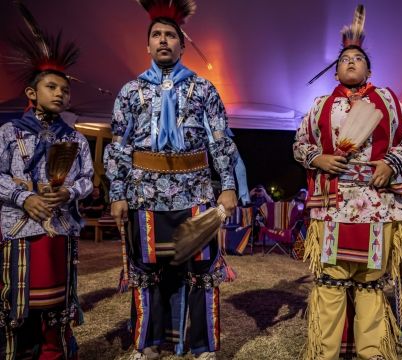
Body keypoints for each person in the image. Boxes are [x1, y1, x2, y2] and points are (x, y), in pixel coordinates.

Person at [103, 1, 241, 358]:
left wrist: (227, 186)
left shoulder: (204, 89)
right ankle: (147, 343)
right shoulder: (130, 93)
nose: (163, 40)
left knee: (202, 271)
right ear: (147, 45)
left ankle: (202, 346)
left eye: (170, 35)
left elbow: (221, 141)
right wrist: (117, 192)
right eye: (156, 35)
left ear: (182, 44)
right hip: (144, 194)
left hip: (195, 191)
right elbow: (119, 146)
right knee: (146, 271)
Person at [293, 5, 402, 359]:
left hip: (378, 204)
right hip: (333, 204)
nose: (351, 61)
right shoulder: (319, 106)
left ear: (369, 69)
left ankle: (372, 353)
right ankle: (324, 353)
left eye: (358, 58)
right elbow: (299, 144)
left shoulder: (391, 102)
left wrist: (391, 163)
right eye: (345, 58)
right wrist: (318, 158)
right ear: (335, 70)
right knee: (330, 282)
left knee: (371, 284)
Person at [0, 2, 94, 358]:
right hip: (20, 231)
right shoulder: (10, 133)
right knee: (19, 309)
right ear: (31, 92)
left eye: (64, 90)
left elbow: (88, 179)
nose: (60, 94)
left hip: (61, 230)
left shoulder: (75, 138)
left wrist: (70, 190)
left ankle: (54, 353)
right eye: (51, 87)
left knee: (56, 309)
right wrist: (24, 197)